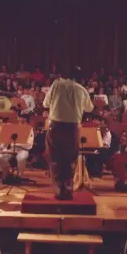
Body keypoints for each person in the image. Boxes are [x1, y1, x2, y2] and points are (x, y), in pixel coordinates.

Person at [43, 66, 94, 200]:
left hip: (56, 126)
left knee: (55, 158)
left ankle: (59, 189)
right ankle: (69, 189)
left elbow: (45, 104)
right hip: (72, 128)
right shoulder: (81, 89)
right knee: (70, 158)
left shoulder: (56, 84)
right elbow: (90, 107)